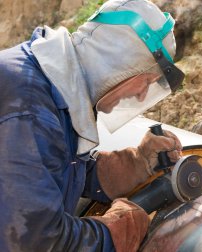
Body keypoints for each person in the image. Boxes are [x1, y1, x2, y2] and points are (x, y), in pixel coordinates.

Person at [0, 0, 185, 251]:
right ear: (118, 65)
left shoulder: (48, 86)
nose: (142, 95)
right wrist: (115, 233)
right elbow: (33, 240)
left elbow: (59, 168)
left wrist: (137, 162)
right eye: (146, 81)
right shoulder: (30, 111)